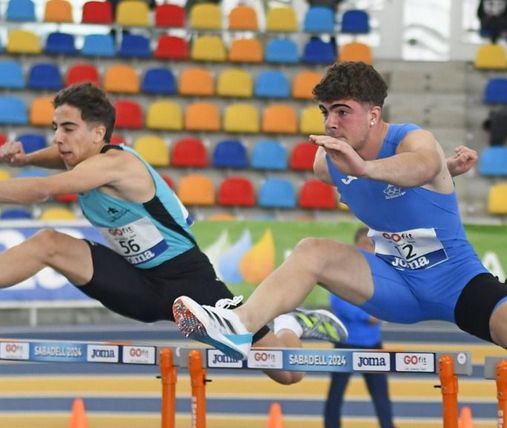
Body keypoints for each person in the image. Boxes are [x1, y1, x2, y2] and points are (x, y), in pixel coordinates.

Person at [172, 61, 507, 363]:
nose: (331, 123)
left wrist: (387, 169)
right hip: (392, 281)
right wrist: (421, 174)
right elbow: (399, 188)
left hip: (457, 283)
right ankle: (240, 326)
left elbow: (421, 166)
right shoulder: (328, 164)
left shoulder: (414, 139)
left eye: (342, 112)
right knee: (312, 251)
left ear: (374, 115)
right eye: (326, 112)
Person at [0, 83, 348, 385]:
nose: (58, 138)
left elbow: (45, 189)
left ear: (98, 133)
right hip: (135, 281)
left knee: (287, 373)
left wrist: (24, 167)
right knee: (49, 243)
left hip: (188, 282)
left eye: (68, 128)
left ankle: (289, 325)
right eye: (55, 127)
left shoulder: (116, 165)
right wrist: (26, 158)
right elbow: (58, 159)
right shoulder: (78, 156)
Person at [323, 226, 394, 428]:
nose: (369, 249)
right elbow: (337, 301)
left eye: (372, 245)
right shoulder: (342, 270)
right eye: (365, 244)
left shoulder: (380, 272)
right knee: (336, 394)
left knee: (381, 396)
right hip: (346, 343)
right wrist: (366, 315)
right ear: (355, 245)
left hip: (372, 343)